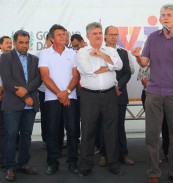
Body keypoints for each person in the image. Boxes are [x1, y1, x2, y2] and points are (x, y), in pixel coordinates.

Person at [132, 4, 173, 183]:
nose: (165, 17)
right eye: (163, 15)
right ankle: (153, 173)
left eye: (169, 15)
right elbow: (144, 62)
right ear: (159, 19)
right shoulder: (152, 37)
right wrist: (137, 57)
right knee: (152, 134)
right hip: (154, 93)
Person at [77, 22, 123, 176]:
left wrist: (103, 55)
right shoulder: (82, 52)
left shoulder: (110, 50)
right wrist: (108, 66)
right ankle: (85, 165)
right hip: (90, 96)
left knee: (111, 130)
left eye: (99, 33)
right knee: (88, 130)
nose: (98, 36)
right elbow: (88, 71)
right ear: (88, 36)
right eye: (94, 33)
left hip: (110, 95)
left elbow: (119, 65)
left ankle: (113, 163)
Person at [0, 30, 41, 181]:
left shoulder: (35, 59)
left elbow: (38, 80)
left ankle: (23, 163)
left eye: (26, 42)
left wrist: (27, 92)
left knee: (26, 136)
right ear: (15, 42)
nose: (24, 45)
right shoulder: (5, 57)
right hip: (12, 104)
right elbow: (7, 80)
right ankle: (10, 167)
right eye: (21, 42)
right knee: (11, 136)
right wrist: (25, 97)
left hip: (30, 105)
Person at [39, 24, 80, 175]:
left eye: (64, 34)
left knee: (73, 131)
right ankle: (52, 162)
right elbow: (45, 76)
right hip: (52, 98)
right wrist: (60, 94)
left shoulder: (73, 53)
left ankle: (73, 162)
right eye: (59, 35)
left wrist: (67, 92)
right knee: (52, 131)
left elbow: (76, 75)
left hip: (71, 97)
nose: (63, 37)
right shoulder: (45, 54)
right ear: (52, 38)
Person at [98, 25, 134, 166]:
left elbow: (127, 72)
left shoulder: (123, 53)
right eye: (110, 34)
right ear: (105, 36)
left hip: (119, 93)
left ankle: (123, 154)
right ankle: (104, 155)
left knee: (119, 125)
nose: (113, 37)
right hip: (104, 94)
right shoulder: (99, 52)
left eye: (116, 34)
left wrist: (119, 86)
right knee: (104, 125)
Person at [0, 35, 12, 169]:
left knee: (7, 130)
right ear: (0, 45)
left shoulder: (13, 59)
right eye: (6, 43)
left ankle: (6, 158)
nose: (9, 45)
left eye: (10, 43)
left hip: (9, 98)